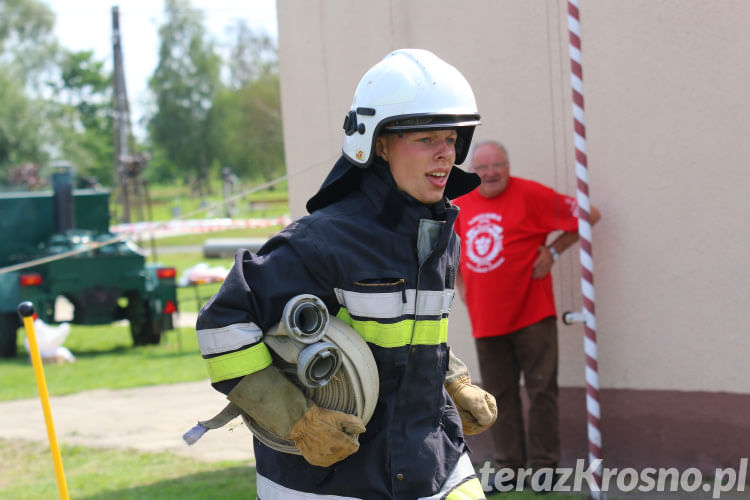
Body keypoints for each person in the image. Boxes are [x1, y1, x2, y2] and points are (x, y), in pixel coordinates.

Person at [195, 49, 497, 499]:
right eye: (425, 139)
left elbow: (408, 331)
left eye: (451, 139)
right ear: (378, 144)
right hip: (331, 480)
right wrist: (295, 419)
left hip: (430, 461)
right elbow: (223, 328)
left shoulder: (439, 236)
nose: (445, 154)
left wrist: (455, 380)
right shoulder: (319, 242)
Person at [453, 141, 601, 488]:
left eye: (497, 166)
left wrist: (552, 251)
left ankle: (544, 471)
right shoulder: (459, 205)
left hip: (533, 314)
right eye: (482, 168)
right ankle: (508, 470)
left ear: (507, 166)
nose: (489, 174)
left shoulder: (530, 195)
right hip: (486, 317)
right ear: (473, 171)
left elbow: (588, 215)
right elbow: (449, 246)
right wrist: (460, 283)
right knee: (496, 397)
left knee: (541, 392)